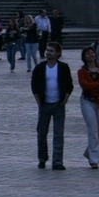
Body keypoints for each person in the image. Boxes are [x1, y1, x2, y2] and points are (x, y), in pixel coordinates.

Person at [31, 42, 74, 170]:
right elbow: (34, 85)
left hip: (58, 104)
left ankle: (57, 161)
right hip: (44, 104)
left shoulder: (63, 67)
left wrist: (65, 100)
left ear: (58, 54)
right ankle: (42, 158)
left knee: (58, 134)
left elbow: (69, 85)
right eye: (47, 50)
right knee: (42, 133)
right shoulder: (40, 67)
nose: (48, 53)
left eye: (51, 51)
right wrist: (39, 102)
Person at [77, 46, 99, 169]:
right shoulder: (82, 71)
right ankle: (94, 159)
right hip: (87, 102)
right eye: (88, 53)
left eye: (92, 53)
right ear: (84, 57)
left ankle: (89, 152)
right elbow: (85, 85)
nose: (91, 55)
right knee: (93, 129)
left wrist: (96, 86)